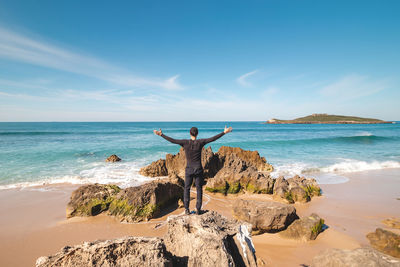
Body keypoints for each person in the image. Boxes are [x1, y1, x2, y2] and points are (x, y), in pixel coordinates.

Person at [154, 126, 233, 215]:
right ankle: (198, 210)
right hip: (198, 169)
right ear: (197, 134)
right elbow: (212, 139)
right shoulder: (200, 142)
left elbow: (172, 140)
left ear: (190, 133)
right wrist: (224, 132)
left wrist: (161, 134)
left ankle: (187, 210)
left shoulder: (185, 142)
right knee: (199, 189)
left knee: (186, 189)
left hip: (189, 170)